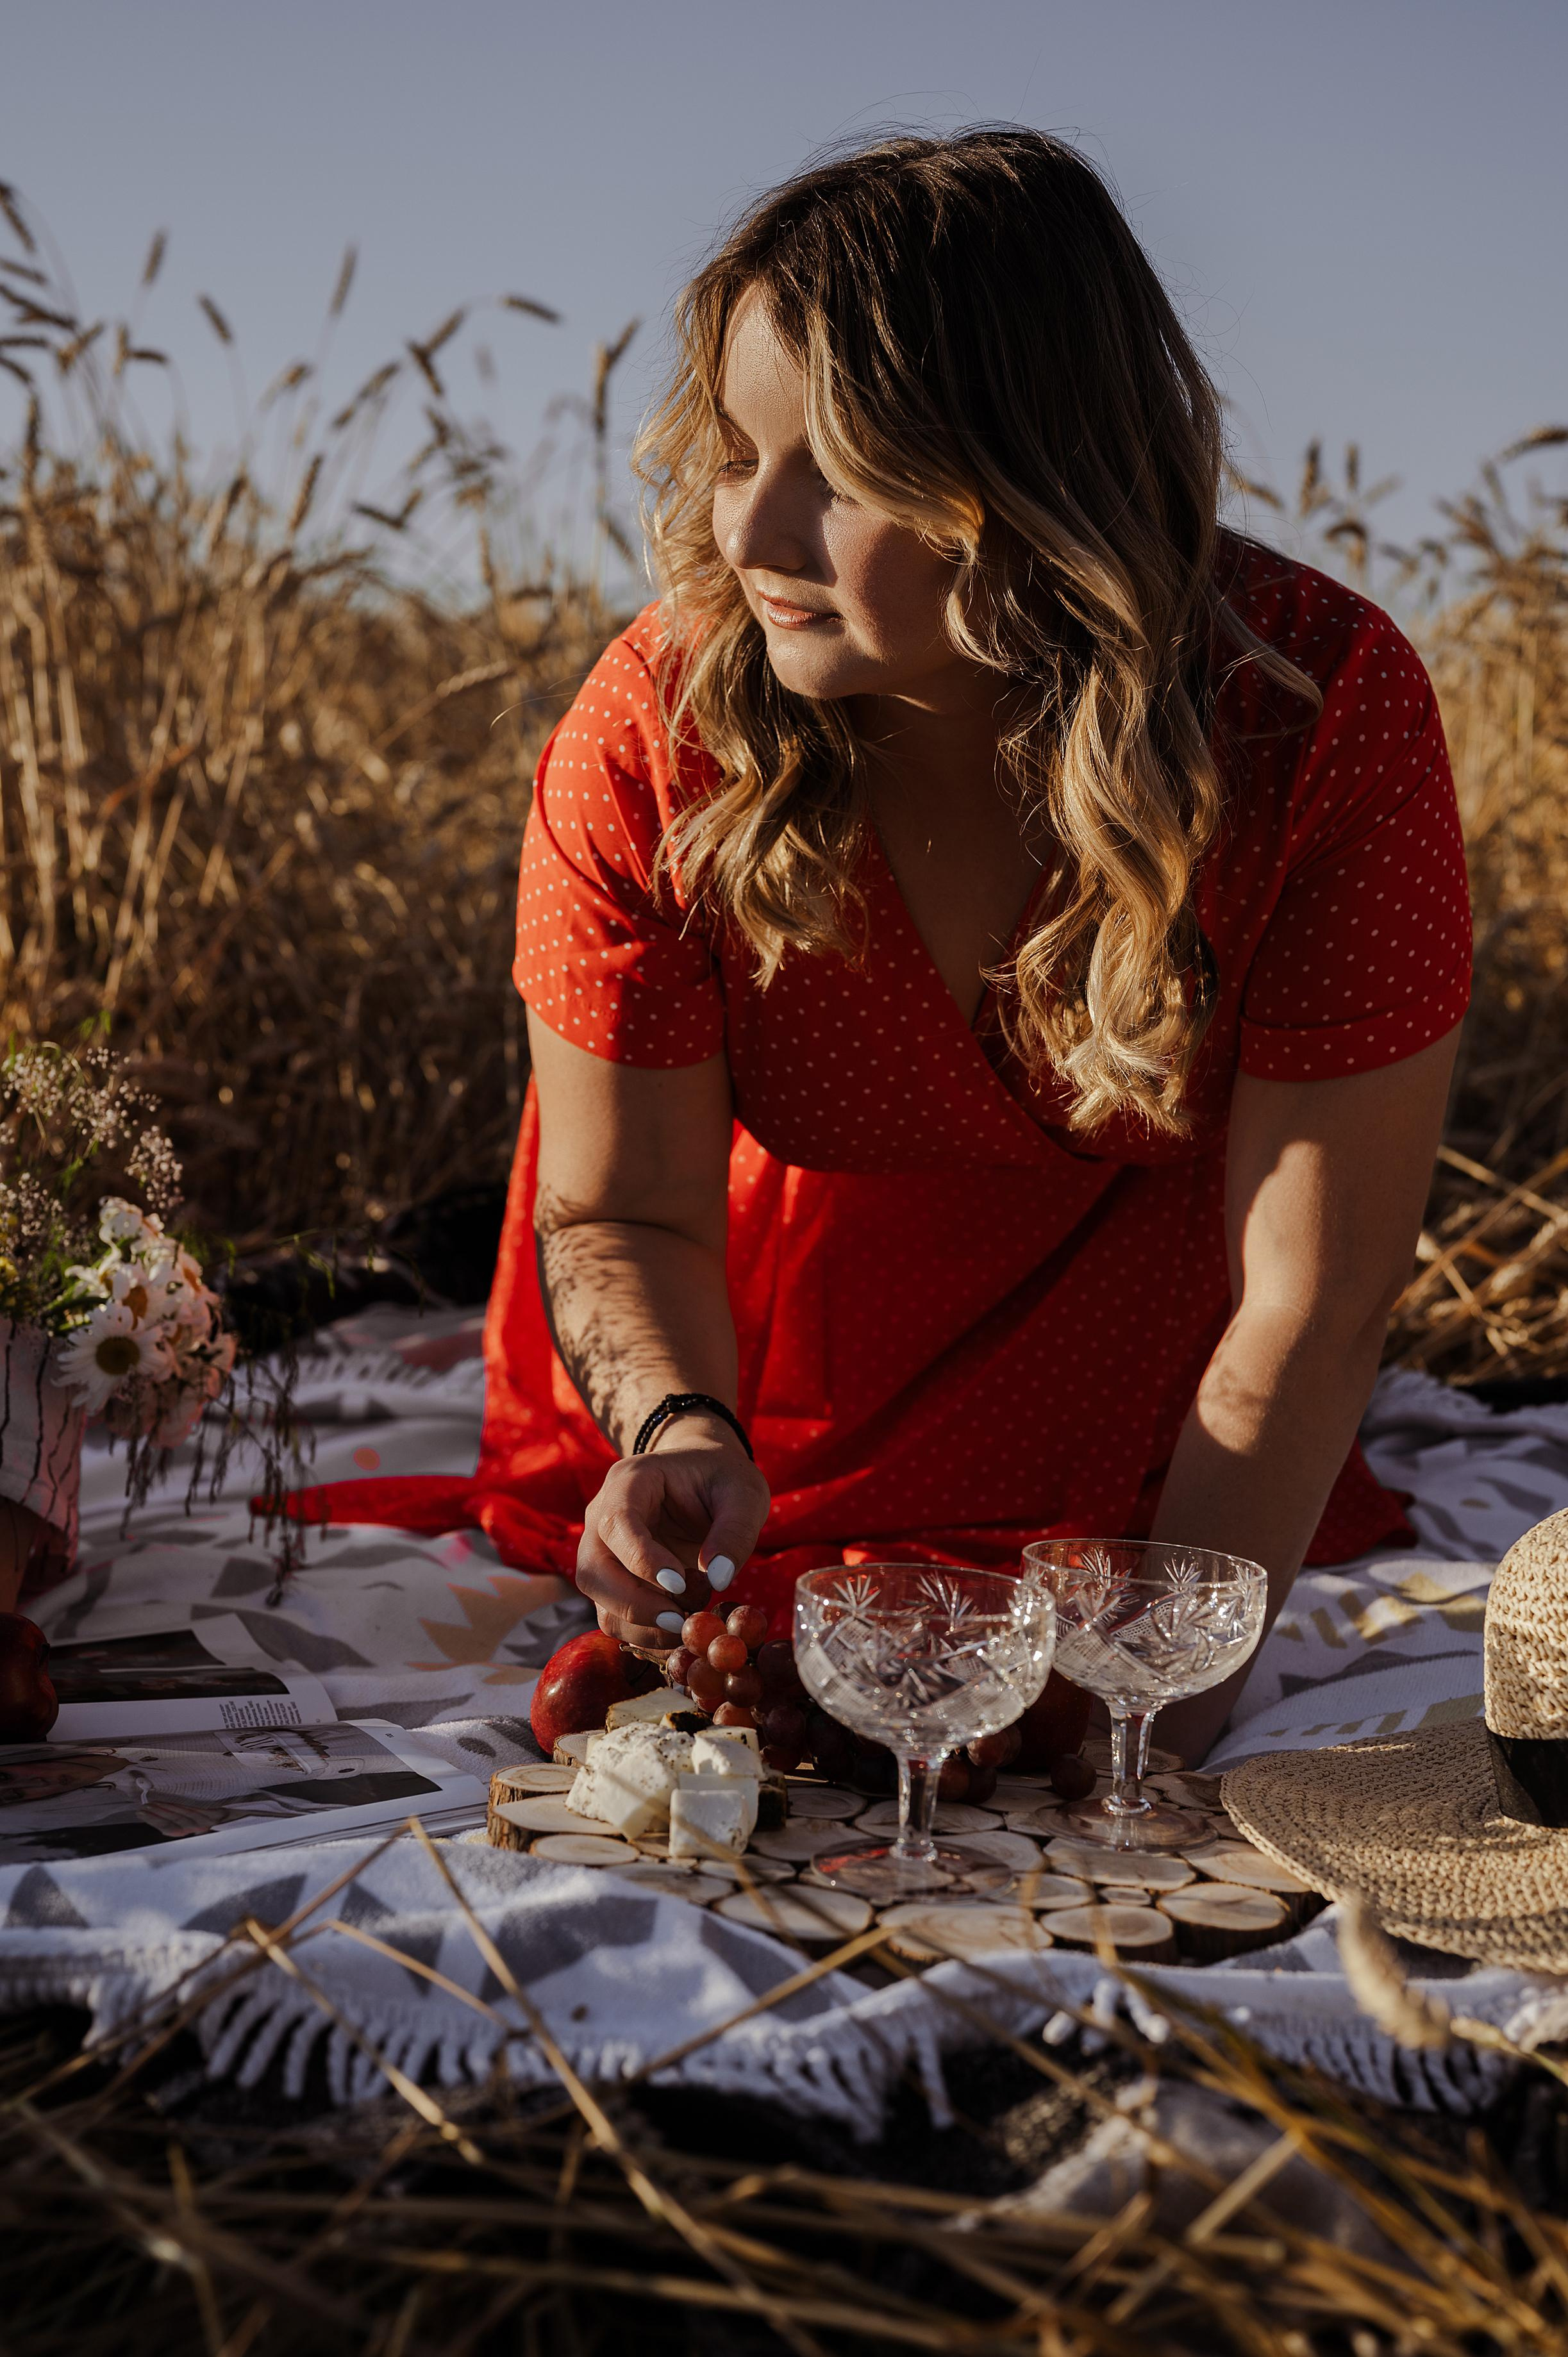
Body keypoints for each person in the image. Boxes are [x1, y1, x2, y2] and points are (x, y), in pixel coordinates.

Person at [294, 130, 1470, 1762]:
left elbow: (1313, 1296)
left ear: (1036, 478)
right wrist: (674, 1427)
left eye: (837, 474)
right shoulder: (649, 740)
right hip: (746, 1327)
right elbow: (622, 1206)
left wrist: (1154, 1693)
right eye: (731, 453)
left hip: (1152, 1368)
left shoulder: (1313, 714)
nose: (749, 533)